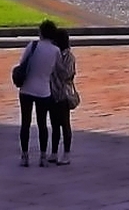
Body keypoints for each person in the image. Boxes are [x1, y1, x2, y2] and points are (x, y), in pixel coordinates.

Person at [12, 20, 62, 167]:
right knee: (42, 124)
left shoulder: (32, 45)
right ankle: (43, 157)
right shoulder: (56, 51)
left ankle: (25, 156)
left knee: (25, 123)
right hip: (44, 90)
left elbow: (22, 63)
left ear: (41, 32)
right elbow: (57, 70)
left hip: (27, 88)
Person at [48, 27, 79, 166]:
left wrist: (56, 63)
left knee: (65, 124)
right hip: (52, 92)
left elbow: (67, 74)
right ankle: (54, 152)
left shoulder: (69, 57)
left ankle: (66, 153)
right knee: (54, 124)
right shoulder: (53, 54)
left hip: (64, 94)